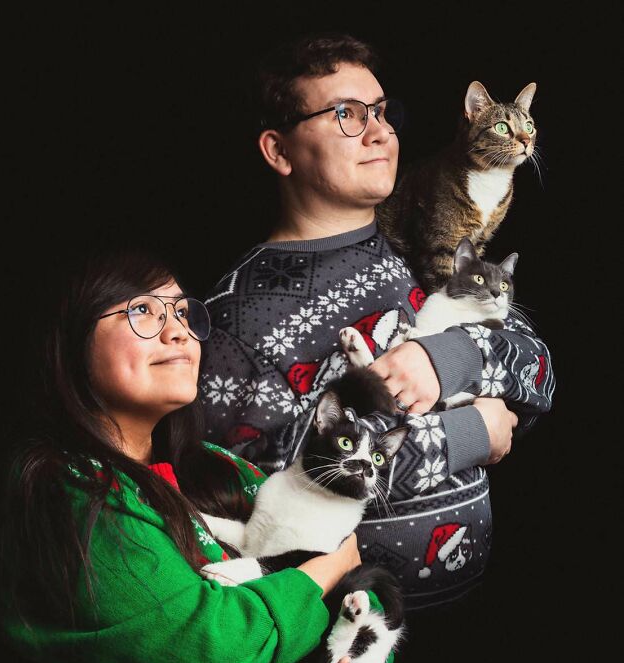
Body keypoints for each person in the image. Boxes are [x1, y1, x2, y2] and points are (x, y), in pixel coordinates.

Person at [0, 248, 394, 663]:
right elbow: (201, 653)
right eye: (144, 313)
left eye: (184, 314)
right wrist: (326, 568)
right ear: (71, 340)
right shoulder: (67, 486)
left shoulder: (222, 470)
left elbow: (368, 604)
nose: (179, 333)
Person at [199, 33, 554, 612]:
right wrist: (469, 434)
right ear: (278, 150)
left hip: (491, 630)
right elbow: (272, 498)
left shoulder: (426, 248)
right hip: (345, 650)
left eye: (382, 112)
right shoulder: (234, 322)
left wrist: (451, 360)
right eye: (346, 115)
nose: (380, 131)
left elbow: (539, 374)